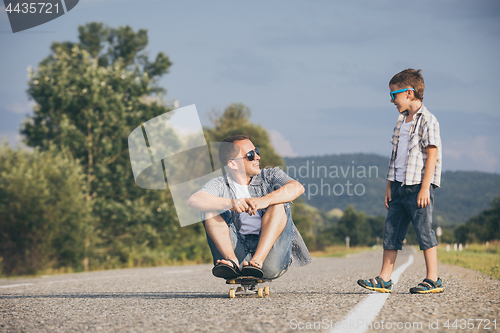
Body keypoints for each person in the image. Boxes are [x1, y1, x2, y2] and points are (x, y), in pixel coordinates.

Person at [357, 69, 443, 294]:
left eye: (394, 95)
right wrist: (389, 185)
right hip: (398, 185)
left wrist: (425, 187)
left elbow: (432, 154)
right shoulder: (401, 121)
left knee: (424, 231)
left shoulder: (429, 120)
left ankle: (433, 279)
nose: (392, 100)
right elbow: (394, 156)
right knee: (391, 231)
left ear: (410, 93)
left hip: (418, 186)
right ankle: (385, 278)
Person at [187, 135, 311, 280]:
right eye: (250, 155)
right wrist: (231, 203)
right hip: (235, 253)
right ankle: (231, 261)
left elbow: (297, 187)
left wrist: (265, 200)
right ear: (233, 164)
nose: (257, 157)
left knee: (278, 203)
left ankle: (256, 261)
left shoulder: (270, 175)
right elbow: (195, 200)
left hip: (269, 258)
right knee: (209, 207)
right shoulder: (220, 183)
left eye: (256, 151)